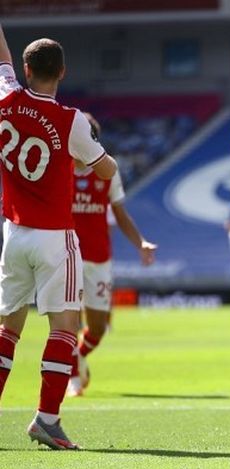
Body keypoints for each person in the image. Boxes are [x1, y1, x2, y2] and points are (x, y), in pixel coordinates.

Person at [0, 25, 118, 450]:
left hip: (12, 234)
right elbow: (107, 170)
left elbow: (3, 58)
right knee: (65, 326)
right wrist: (84, 161)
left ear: (27, 70)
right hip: (53, 237)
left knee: (8, 329)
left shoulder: (5, 97)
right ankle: (47, 419)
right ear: (63, 72)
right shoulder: (70, 120)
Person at [66, 112, 157, 397]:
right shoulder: (60, 167)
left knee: (97, 328)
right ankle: (72, 377)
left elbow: (120, 213)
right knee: (66, 323)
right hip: (66, 255)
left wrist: (140, 242)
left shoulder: (108, 171)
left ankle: (78, 357)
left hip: (98, 258)